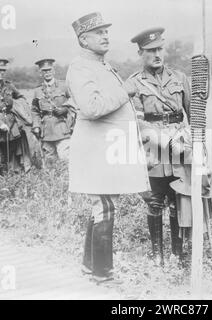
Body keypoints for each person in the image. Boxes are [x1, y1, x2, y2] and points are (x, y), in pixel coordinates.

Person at [66, 12, 150, 283]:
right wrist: (125, 91)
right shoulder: (81, 67)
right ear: (83, 39)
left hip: (105, 151)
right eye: (98, 32)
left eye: (106, 31)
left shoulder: (102, 65)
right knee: (104, 207)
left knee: (104, 206)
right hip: (95, 152)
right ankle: (103, 274)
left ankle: (91, 268)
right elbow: (91, 108)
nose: (105, 35)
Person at [124, 27, 191, 266]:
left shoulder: (180, 78)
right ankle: (157, 256)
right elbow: (134, 120)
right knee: (155, 201)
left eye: (160, 49)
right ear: (141, 53)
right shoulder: (133, 83)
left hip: (179, 147)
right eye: (151, 50)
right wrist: (155, 139)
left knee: (177, 198)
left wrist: (197, 145)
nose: (157, 54)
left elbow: (193, 115)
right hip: (151, 148)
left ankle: (177, 252)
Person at [31, 58, 76, 164]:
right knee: (49, 160)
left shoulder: (64, 86)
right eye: (44, 71)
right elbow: (35, 111)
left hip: (62, 128)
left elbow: (75, 101)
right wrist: (36, 126)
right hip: (46, 131)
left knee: (65, 158)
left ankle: (65, 180)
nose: (47, 73)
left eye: (49, 70)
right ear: (40, 73)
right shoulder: (37, 91)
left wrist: (65, 109)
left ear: (54, 71)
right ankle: (52, 180)